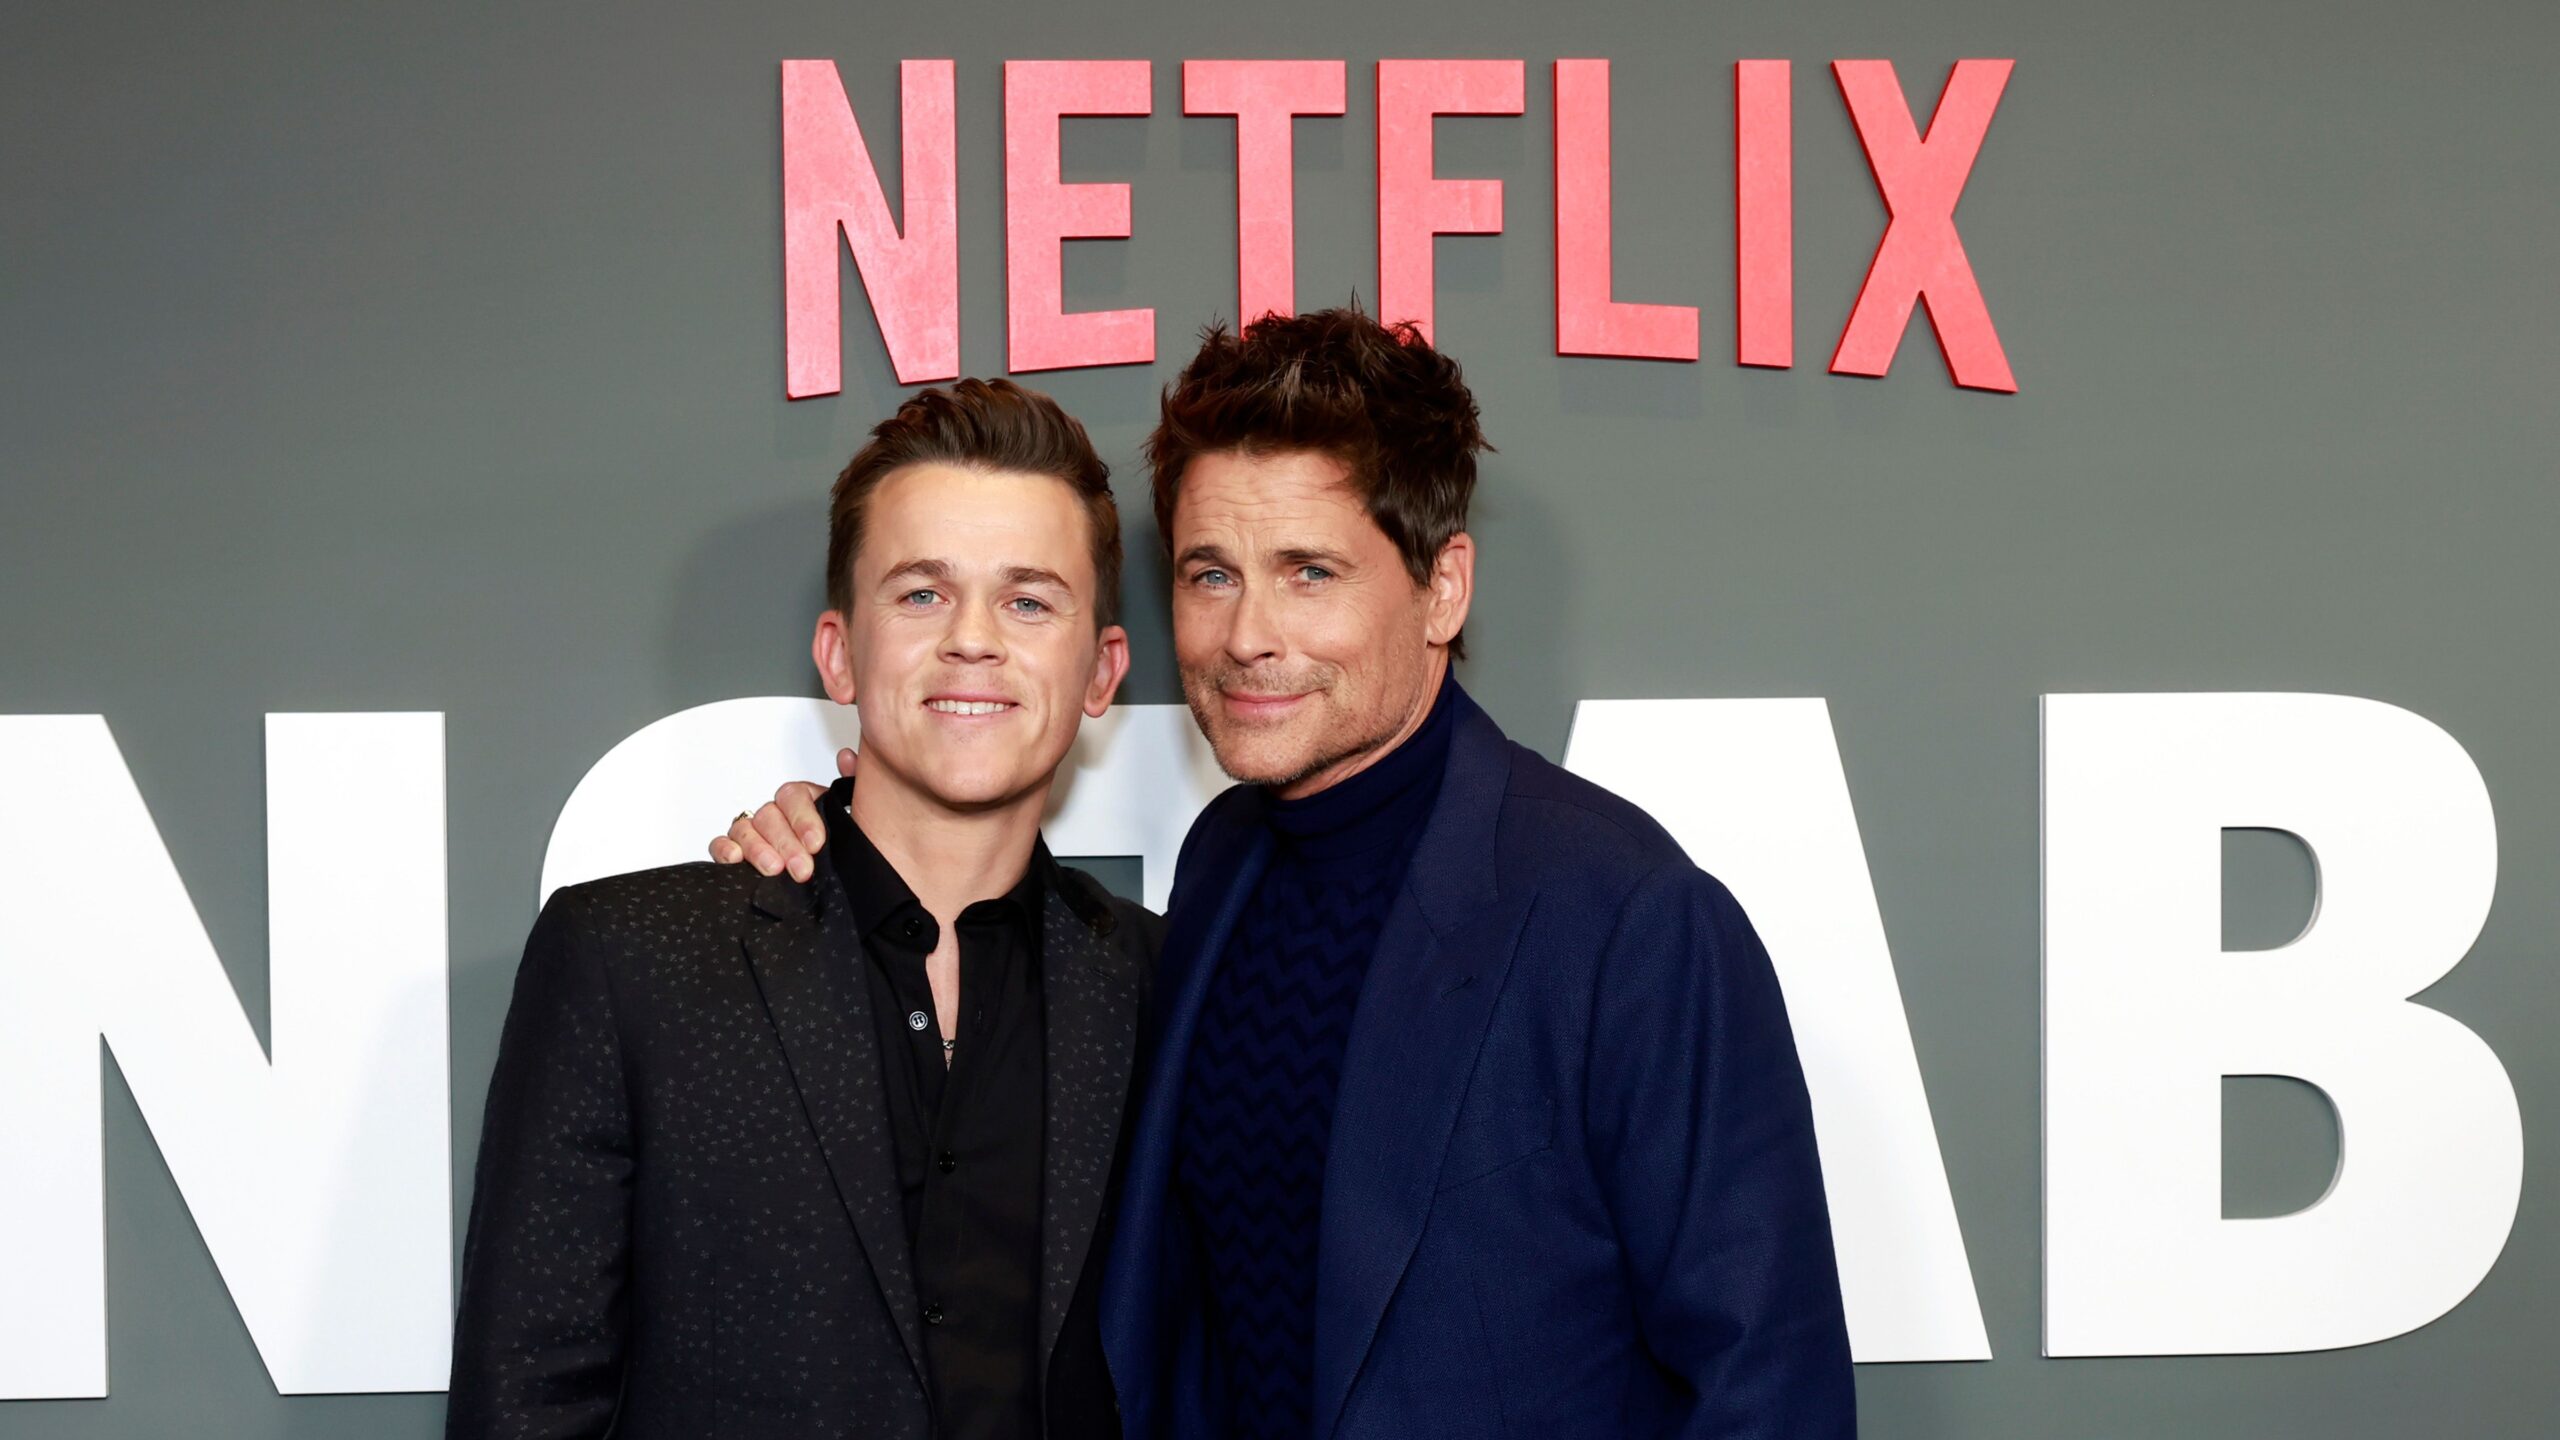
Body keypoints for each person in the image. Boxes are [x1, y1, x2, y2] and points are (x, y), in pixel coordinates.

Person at [717, 308, 1855, 1438]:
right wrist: (831, 838)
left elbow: (1769, 1391)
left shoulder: (1625, 921)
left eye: (1309, 572)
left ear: (1443, 587)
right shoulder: (1220, 873)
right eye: (1212, 575)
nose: (1248, 634)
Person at [446, 379, 1158, 1439]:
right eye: (921, 593)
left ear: (1100, 670)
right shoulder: (629, 963)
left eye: (1029, 600)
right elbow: (527, 1404)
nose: (974, 639)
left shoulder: (1163, 986)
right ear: (838, 653)